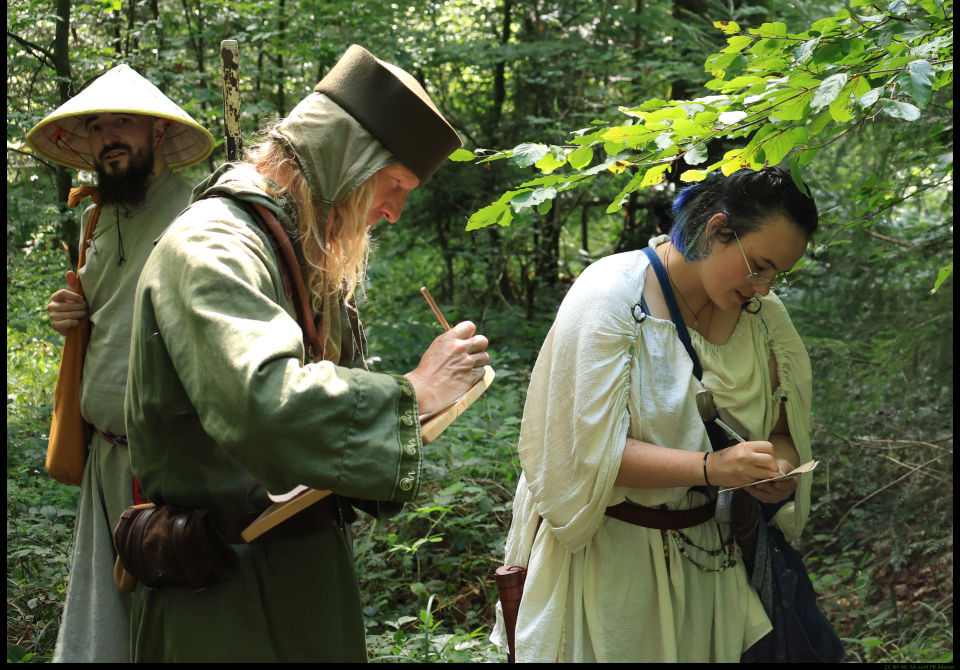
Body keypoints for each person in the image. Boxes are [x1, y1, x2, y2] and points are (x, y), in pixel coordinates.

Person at [122, 44, 489, 662]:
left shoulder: (295, 252)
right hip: (223, 595)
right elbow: (263, 402)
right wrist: (415, 392)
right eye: (393, 184)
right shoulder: (213, 245)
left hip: (304, 584)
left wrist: (421, 411)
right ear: (345, 157)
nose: (395, 212)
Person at [493, 167, 819, 662]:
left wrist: (776, 467)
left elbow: (781, 429)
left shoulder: (765, 322)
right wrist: (711, 469)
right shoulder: (611, 295)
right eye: (760, 266)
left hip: (714, 569)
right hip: (613, 573)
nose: (766, 287)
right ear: (717, 230)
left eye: (779, 274)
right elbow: (587, 451)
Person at [26, 63, 215, 662]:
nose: (109, 136)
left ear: (158, 132)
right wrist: (69, 314)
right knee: (105, 625)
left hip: (165, 460)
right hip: (104, 455)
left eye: (124, 121)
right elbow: (98, 311)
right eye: (98, 125)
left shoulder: (202, 213)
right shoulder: (96, 217)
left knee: (168, 615)